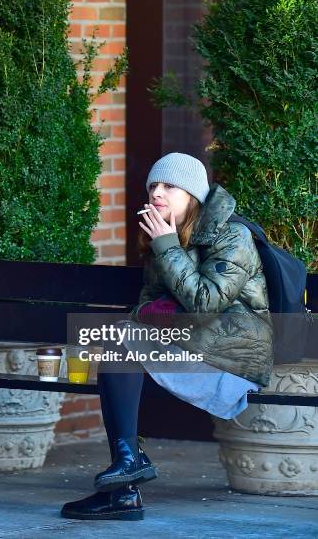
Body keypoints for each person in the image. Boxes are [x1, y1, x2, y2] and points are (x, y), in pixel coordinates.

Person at [61, 152, 273, 521]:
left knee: (117, 343)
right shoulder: (165, 233)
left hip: (232, 358)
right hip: (191, 347)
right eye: (153, 186)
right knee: (117, 344)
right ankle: (125, 480)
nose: (157, 192)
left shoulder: (232, 235)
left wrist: (168, 247)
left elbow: (204, 306)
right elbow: (147, 307)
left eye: (169, 186)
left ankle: (125, 481)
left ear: (193, 195)